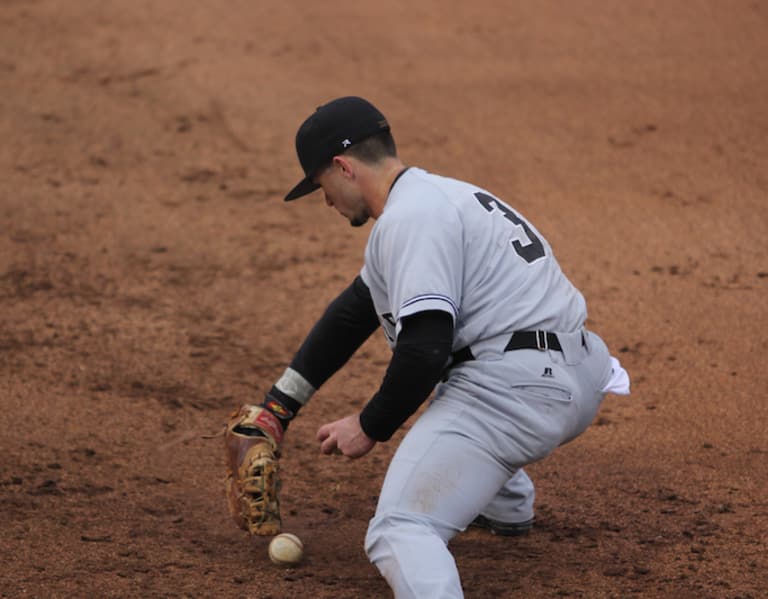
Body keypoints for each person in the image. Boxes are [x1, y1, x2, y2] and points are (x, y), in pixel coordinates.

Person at [250, 96, 630, 598]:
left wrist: (369, 425)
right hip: (580, 374)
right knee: (464, 383)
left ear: (343, 167)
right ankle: (507, 507)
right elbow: (354, 312)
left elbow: (424, 349)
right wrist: (278, 407)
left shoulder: (410, 220)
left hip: (517, 397)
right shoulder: (439, 195)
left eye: (322, 186)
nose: (326, 202)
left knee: (399, 529)